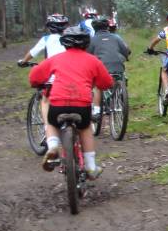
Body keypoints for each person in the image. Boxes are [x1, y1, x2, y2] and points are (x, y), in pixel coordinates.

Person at [28, 26, 113, 179]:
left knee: (52, 122)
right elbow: (107, 83)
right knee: (85, 127)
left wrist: (37, 83)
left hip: (58, 104)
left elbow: (34, 77)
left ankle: (53, 146)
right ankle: (91, 166)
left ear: (64, 43)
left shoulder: (56, 59)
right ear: (86, 44)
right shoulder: (93, 61)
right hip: (81, 106)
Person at [17, 14, 70, 146]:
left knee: (45, 100)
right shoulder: (70, 39)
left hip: (52, 79)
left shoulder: (46, 39)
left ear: (49, 27)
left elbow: (33, 52)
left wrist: (23, 61)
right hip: (69, 77)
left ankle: (48, 130)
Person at [87, 15, 131, 118]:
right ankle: (119, 97)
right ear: (107, 27)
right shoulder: (116, 37)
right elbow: (125, 51)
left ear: (94, 28)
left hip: (101, 68)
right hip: (118, 66)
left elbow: (87, 56)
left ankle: (97, 111)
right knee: (118, 78)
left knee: (97, 86)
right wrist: (126, 57)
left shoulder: (92, 40)